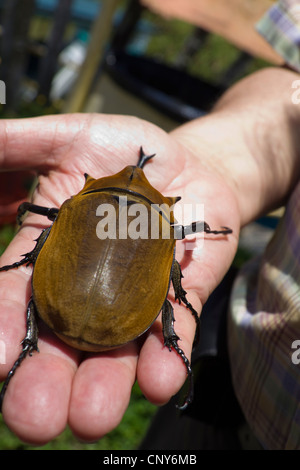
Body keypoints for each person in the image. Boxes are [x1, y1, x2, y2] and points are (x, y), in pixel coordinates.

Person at [0, 1, 299, 449]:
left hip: (237, 372)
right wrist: (219, 160)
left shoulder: (77, 205)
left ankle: (29, 338)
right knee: (166, 279)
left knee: (49, 228)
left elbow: (40, 222)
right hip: (234, 381)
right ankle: (167, 333)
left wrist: (28, 237)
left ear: (88, 187)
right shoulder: (165, 224)